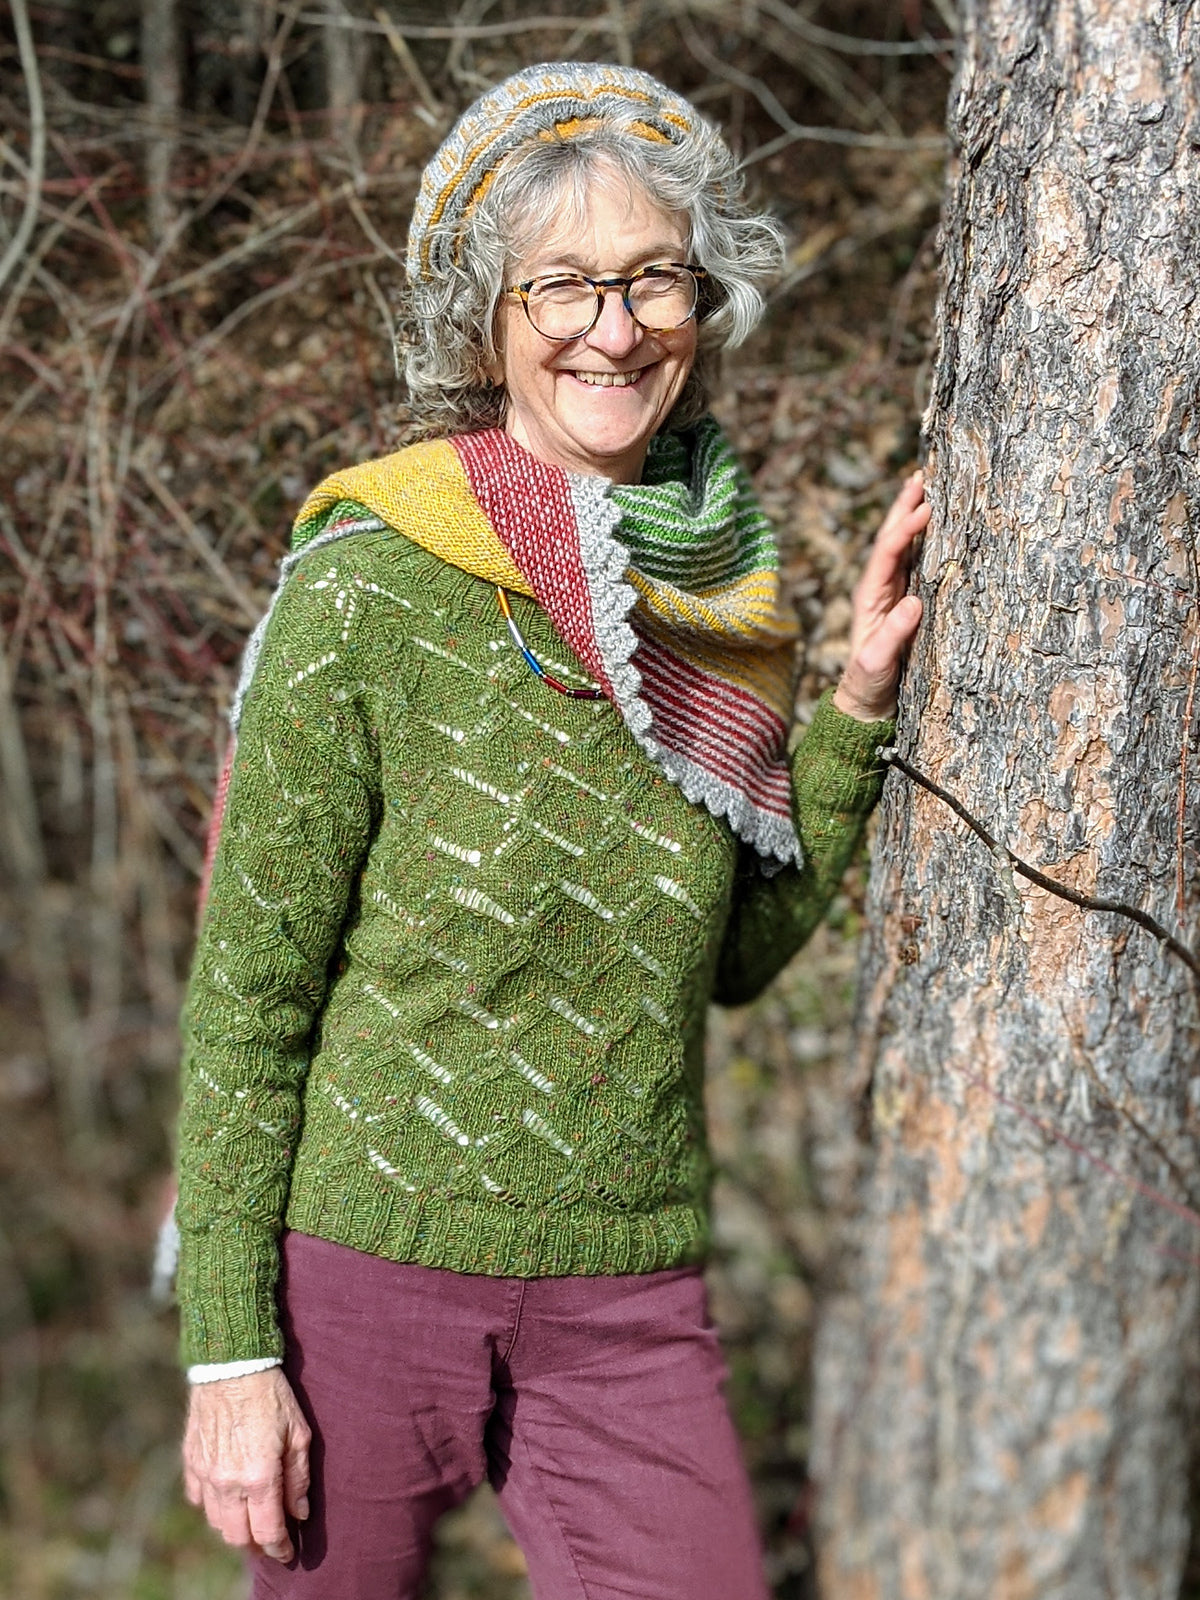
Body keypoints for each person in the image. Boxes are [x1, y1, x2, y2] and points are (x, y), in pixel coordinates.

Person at [176, 61, 927, 1600]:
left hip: (630, 1297)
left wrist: (850, 714)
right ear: (487, 316)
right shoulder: (369, 582)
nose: (613, 326)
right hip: (361, 1285)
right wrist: (229, 1354)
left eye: (654, 278)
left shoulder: (714, 596)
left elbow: (726, 960)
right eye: (563, 286)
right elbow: (248, 1003)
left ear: (700, 304)